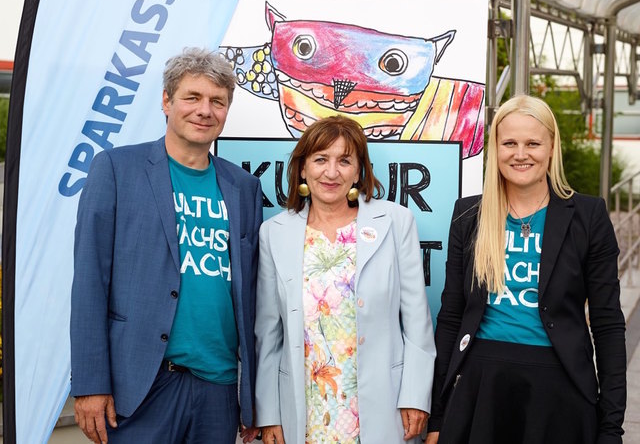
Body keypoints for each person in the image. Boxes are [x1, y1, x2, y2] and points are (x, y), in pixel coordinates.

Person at [70, 47, 263, 443]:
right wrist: (91, 382)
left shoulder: (244, 188)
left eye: (217, 102)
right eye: (192, 97)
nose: (204, 110)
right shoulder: (116, 169)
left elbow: (252, 295)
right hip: (141, 383)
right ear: (166, 101)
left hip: (219, 387)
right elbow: (89, 279)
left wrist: (253, 397)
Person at [426, 95, 627, 444]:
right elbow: (451, 316)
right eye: (510, 143)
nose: (521, 154)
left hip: (559, 389)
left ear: (551, 147)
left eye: (533, 143)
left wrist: (610, 428)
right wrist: (437, 417)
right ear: (496, 148)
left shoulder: (588, 217)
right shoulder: (468, 216)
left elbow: (608, 324)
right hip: (481, 386)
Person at [254, 115, 436, 443]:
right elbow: (268, 335)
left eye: (344, 160)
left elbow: (417, 322)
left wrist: (415, 395)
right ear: (303, 168)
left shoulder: (395, 222)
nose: (332, 172)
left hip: (382, 403)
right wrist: (268, 414)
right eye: (321, 159)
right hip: (303, 405)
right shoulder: (274, 234)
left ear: (358, 170)